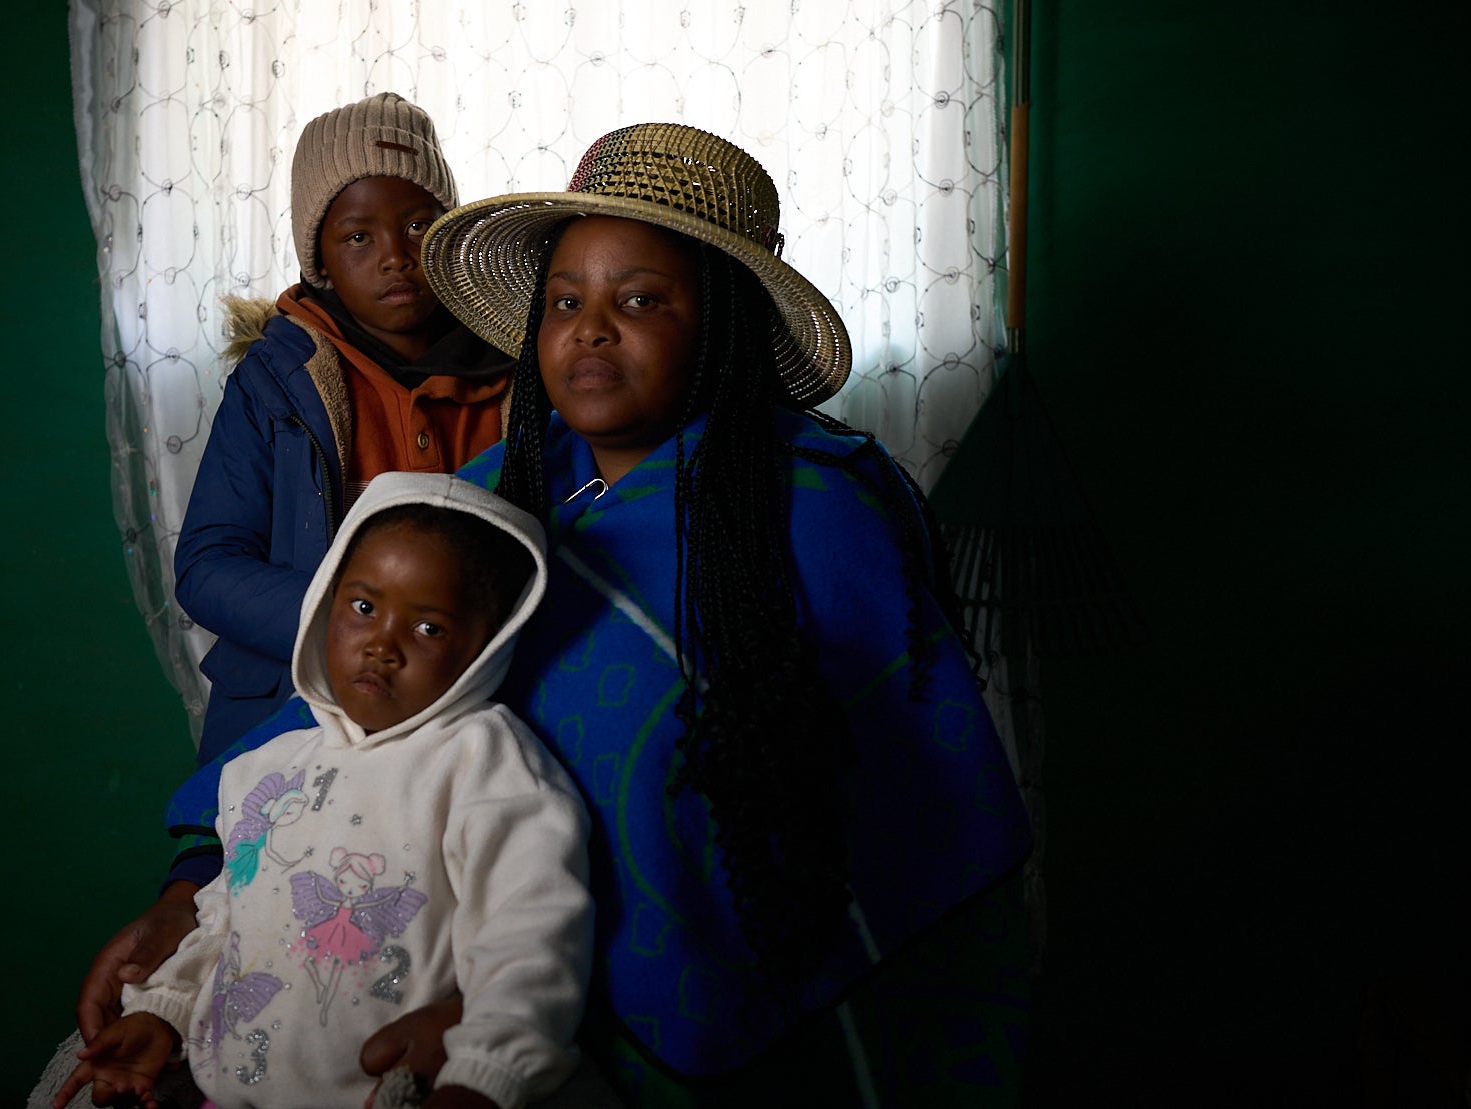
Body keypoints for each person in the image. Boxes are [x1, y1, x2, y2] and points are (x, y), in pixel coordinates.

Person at [101, 123, 1035, 1106]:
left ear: (718, 323)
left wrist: (527, 1013)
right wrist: (194, 880)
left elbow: (845, 830)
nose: (588, 328)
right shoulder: (498, 496)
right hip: (415, 972)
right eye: (562, 301)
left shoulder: (810, 513)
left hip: (653, 1033)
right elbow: (331, 717)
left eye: (637, 299)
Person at [74, 94, 513, 1046]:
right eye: (357, 234)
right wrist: (349, 623)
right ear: (320, 257)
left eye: (419, 223)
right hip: (293, 705)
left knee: (430, 927)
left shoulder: (517, 371)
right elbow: (207, 566)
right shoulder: (278, 381)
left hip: (464, 709)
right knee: (249, 929)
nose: (394, 253)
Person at [56, 472, 593, 1109]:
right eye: (363, 607)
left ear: (486, 648)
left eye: (429, 629)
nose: (382, 644)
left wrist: (486, 1075)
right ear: (325, 603)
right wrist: (164, 1010)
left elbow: (531, 935)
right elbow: (229, 912)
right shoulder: (263, 770)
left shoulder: (485, 764)